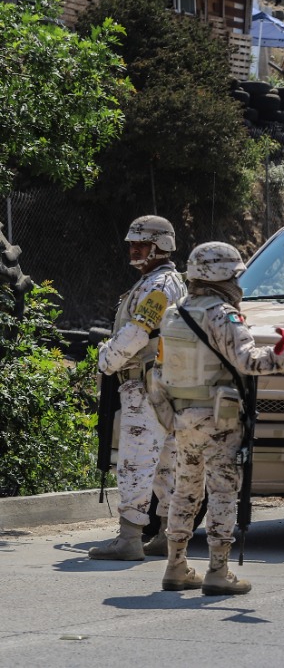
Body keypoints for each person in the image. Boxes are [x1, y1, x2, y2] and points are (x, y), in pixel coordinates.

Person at [156, 242, 284, 595]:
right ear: (224, 277)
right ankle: (218, 570)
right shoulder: (223, 314)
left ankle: (175, 565)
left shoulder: (174, 312)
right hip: (218, 419)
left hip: (181, 416)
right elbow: (249, 362)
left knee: (185, 490)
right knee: (222, 491)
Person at [88, 215, 185, 561]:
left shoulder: (157, 287)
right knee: (166, 464)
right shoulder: (165, 282)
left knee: (135, 461)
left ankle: (129, 539)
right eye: (132, 243)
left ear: (160, 248)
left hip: (144, 387)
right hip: (166, 386)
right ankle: (167, 536)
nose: (134, 249)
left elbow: (138, 332)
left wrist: (106, 359)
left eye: (141, 244)